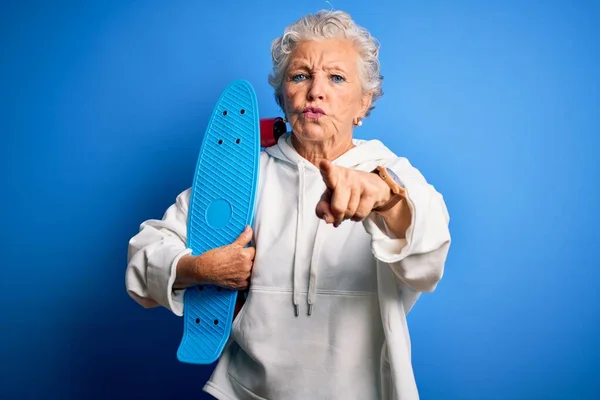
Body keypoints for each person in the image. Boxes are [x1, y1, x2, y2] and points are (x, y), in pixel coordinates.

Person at [126, 9, 451, 400]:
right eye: (300, 76)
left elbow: (429, 255)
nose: (316, 90)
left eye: (336, 77)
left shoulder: (390, 173)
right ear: (283, 96)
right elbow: (142, 261)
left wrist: (384, 197)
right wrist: (198, 268)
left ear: (363, 103)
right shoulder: (241, 175)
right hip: (247, 391)